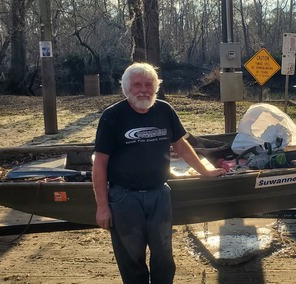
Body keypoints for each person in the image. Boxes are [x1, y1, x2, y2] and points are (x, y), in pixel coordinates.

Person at [92, 62, 226, 284]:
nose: (143, 90)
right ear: (126, 89)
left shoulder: (164, 110)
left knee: (164, 255)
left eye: (148, 84)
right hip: (124, 198)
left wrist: (205, 171)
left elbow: (181, 146)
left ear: (156, 88)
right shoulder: (112, 116)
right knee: (131, 258)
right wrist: (102, 207)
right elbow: (100, 164)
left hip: (159, 195)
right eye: (136, 85)